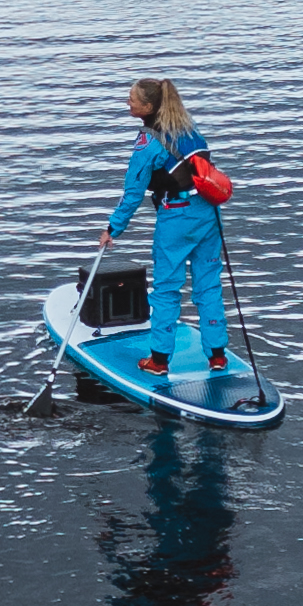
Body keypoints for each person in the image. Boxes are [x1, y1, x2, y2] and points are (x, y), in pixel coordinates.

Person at [100, 76, 232, 379]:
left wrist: (113, 229)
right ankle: (217, 356)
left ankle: (158, 361)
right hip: (209, 215)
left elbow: (133, 191)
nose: (127, 103)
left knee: (166, 289)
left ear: (147, 107)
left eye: (132, 99)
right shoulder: (188, 127)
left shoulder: (148, 143)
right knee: (208, 285)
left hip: (176, 217)